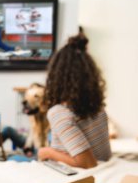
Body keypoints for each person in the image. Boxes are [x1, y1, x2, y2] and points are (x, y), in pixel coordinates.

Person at [38, 31, 112, 169]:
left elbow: (88, 163)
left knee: (15, 156)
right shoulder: (97, 106)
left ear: (56, 76)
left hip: (70, 176)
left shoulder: (60, 113)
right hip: (104, 166)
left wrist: (47, 152)